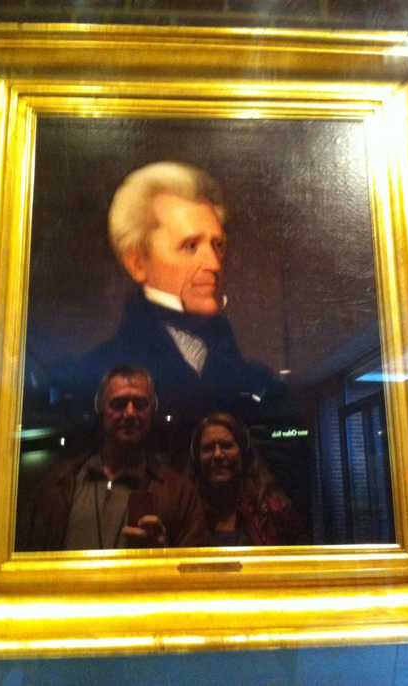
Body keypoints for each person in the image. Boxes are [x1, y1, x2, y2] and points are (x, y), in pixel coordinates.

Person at [73, 161, 290, 434]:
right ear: (138, 263)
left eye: (218, 245)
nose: (214, 264)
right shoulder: (93, 372)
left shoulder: (247, 372)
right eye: (191, 245)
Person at [16, 364, 209, 551]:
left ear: (152, 412)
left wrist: (163, 557)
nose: (130, 413)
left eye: (140, 404)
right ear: (100, 410)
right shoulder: (58, 484)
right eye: (119, 404)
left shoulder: (181, 494)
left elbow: (194, 567)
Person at [191, 413, 309, 547]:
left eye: (226, 445)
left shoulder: (275, 512)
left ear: (243, 453)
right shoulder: (187, 513)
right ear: (197, 458)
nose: (217, 454)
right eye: (208, 448)